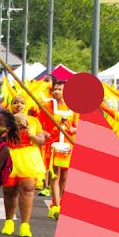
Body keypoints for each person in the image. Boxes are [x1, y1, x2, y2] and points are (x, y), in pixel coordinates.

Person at [0, 96, 45, 237]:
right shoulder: (4, 120)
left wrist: (29, 133)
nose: (19, 105)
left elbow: (42, 140)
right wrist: (10, 129)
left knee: (27, 189)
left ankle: (25, 225)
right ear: (10, 105)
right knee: (9, 191)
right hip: (9, 155)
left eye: (22, 102)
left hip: (28, 158)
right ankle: (9, 222)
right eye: (15, 102)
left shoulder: (34, 121)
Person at [41, 79, 78, 218]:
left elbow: (76, 125)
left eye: (59, 89)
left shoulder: (74, 107)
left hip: (68, 145)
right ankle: (57, 206)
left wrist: (70, 128)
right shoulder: (47, 105)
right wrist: (45, 132)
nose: (56, 91)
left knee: (65, 177)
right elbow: (41, 123)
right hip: (54, 145)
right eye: (55, 89)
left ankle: (58, 202)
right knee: (55, 176)